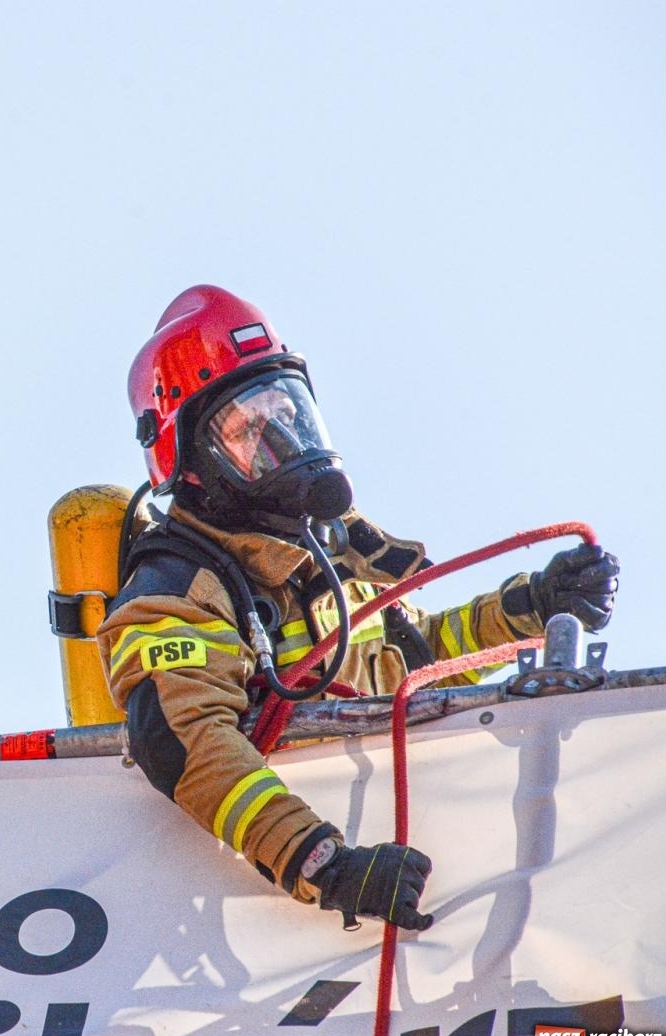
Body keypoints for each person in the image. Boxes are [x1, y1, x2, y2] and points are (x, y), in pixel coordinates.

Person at [99, 286, 618, 931]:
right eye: (248, 428)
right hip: (240, 935)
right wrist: (322, 862)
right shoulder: (176, 587)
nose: (284, 442)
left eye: (288, 411)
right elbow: (181, 739)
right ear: (192, 461)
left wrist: (530, 608)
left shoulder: (324, 551)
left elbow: (409, 670)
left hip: (386, 893)